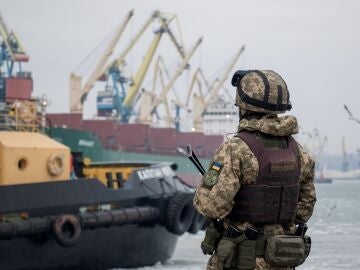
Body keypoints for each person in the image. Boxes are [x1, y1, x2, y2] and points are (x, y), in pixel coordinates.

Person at [193, 70, 316, 270]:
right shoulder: (299, 153)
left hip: (241, 260)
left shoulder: (235, 149)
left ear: (243, 106)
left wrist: (204, 189)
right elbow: (305, 208)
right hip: (282, 260)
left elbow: (210, 205)